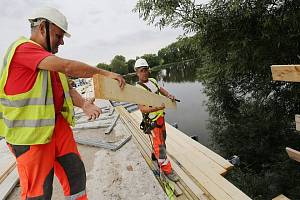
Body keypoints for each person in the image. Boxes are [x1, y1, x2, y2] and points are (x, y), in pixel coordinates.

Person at [0, 7, 125, 200]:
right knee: (39, 193)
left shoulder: (47, 61)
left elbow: (66, 89)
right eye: (58, 35)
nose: (62, 41)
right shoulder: (23, 49)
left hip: (56, 127)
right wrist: (105, 73)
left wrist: (84, 104)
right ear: (43, 28)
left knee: (76, 175)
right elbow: (68, 66)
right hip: (30, 136)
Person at [134, 58, 179, 182]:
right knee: (160, 146)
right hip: (152, 122)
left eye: (146, 70)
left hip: (160, 118)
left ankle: (155, 155)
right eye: (141, 70)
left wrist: (169, 95)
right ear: (137, 72)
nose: (144, 73)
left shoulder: (153, 81)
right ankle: (167, 169)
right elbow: (142, 109)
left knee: (163, 139)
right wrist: (156, 108)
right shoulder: (137, 88)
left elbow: (160, 89)